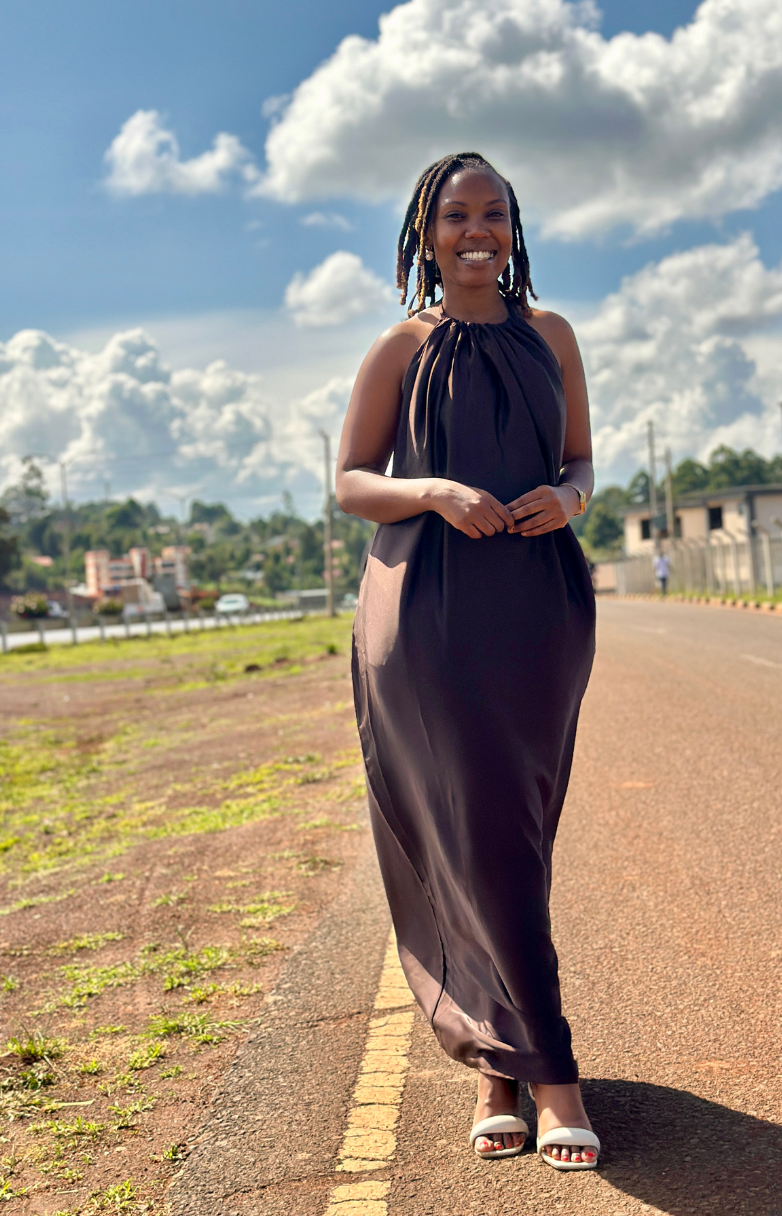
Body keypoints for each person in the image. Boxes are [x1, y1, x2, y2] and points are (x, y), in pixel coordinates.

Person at [336, 152, 600, 1171]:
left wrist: (569, 499)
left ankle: (496, 1066)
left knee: (514, 832)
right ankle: (551, 1077)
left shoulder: (551, 336)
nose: (475, 229)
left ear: (513, 227)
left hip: (540, 608)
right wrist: (436, 491)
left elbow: (578, 457)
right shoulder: (399, 346)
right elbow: (353, 480)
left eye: (493, 212)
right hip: (429, 612)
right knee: (475, 825)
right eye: (455, 215)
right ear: (425, 231)